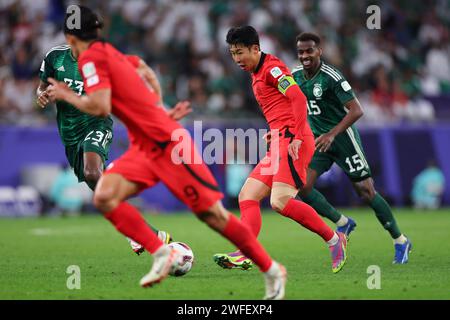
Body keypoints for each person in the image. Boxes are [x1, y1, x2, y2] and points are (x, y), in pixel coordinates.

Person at [47, 6, 286, 300]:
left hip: (169, 146)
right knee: (105, 196)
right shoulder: (108, 52)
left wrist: (64, 94)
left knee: (214, 217)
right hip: (145, 146)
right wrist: (159, 109)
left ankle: (272, 269)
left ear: (71, 39)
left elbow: (100, 107)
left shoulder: (92, 58)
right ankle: (160, 251)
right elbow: (143, 68)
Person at [36, 35, 192, 253]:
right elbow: (42, 87)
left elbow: (136, 83)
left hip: (97, 124)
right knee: (98, 188)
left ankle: (135, 232)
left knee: (92, 173)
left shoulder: (100, 63)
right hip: (69, 133)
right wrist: (42, 95)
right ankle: (146, 231)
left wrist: (159, 108)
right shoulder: (55, 57)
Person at [213, 26, 348, 274]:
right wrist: (274, 129)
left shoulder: (272, 69)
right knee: (248, 195)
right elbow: (281, 106)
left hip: (294, 141)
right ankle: (246, 252)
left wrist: (294, 134)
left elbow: (297, 97)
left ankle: (334, 239)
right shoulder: (256, 73)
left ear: (256, 48)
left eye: (240, 52)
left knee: (280, 202)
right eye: (232, 53)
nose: (237, 59)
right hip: (279, 140)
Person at [291, 32, 412, 264]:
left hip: (343, 138)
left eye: (309, 51)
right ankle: (343, 223)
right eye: (301, 52)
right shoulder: (295, 76)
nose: (305, 55)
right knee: (303, 186)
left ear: (319, 51)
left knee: (365, 191)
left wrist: (332, 134)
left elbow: (357, 110)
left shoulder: (331, 76)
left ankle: (400, 240)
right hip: (319, 140)